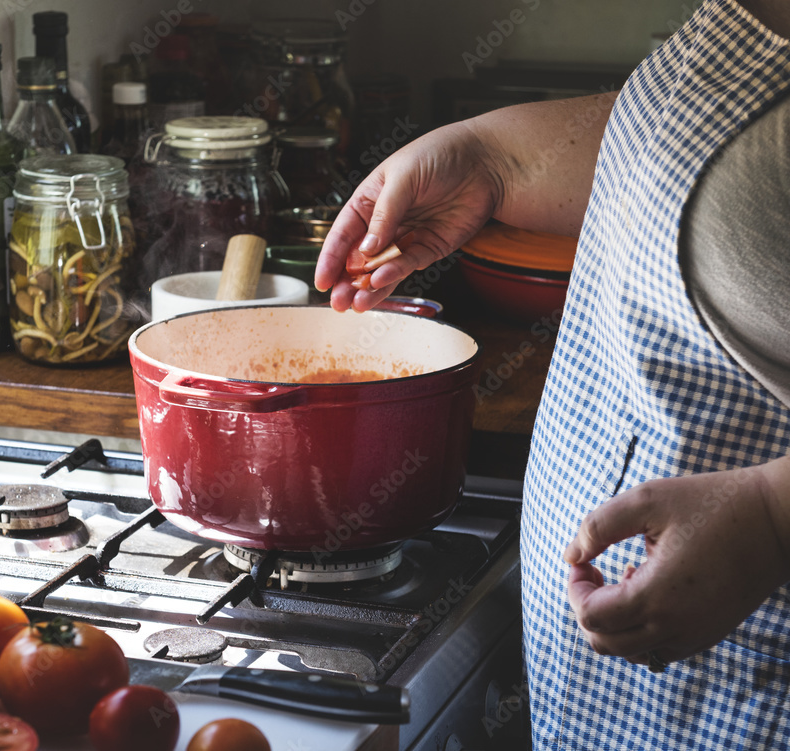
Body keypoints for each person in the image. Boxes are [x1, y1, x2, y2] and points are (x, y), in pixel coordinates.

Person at [315, 0, 790, 748]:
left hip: (747, 672)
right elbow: (710, 150)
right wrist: (487, 158)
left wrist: (772, 515)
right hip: (624, 683)